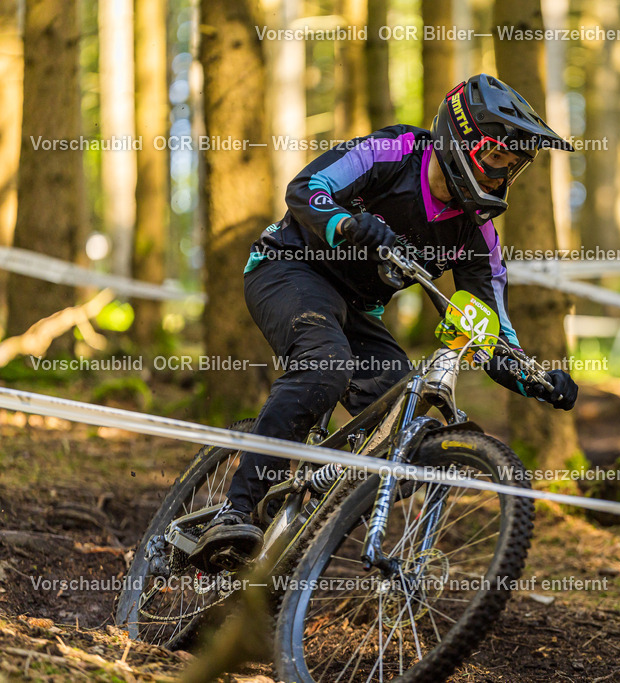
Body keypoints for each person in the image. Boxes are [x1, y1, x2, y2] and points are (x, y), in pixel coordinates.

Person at [189, 74, 579, 572]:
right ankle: (235, 509)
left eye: (510, 167)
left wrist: (534, 377)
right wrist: (349, 222)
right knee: (324, 366)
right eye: (494, 159)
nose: (499, 177)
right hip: (288, 267)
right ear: (460, 138)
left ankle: (301, 531)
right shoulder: (394, 151)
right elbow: (307, 188)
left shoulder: (477, 234)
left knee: (410, 439)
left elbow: (494, 333)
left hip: (357, 311)